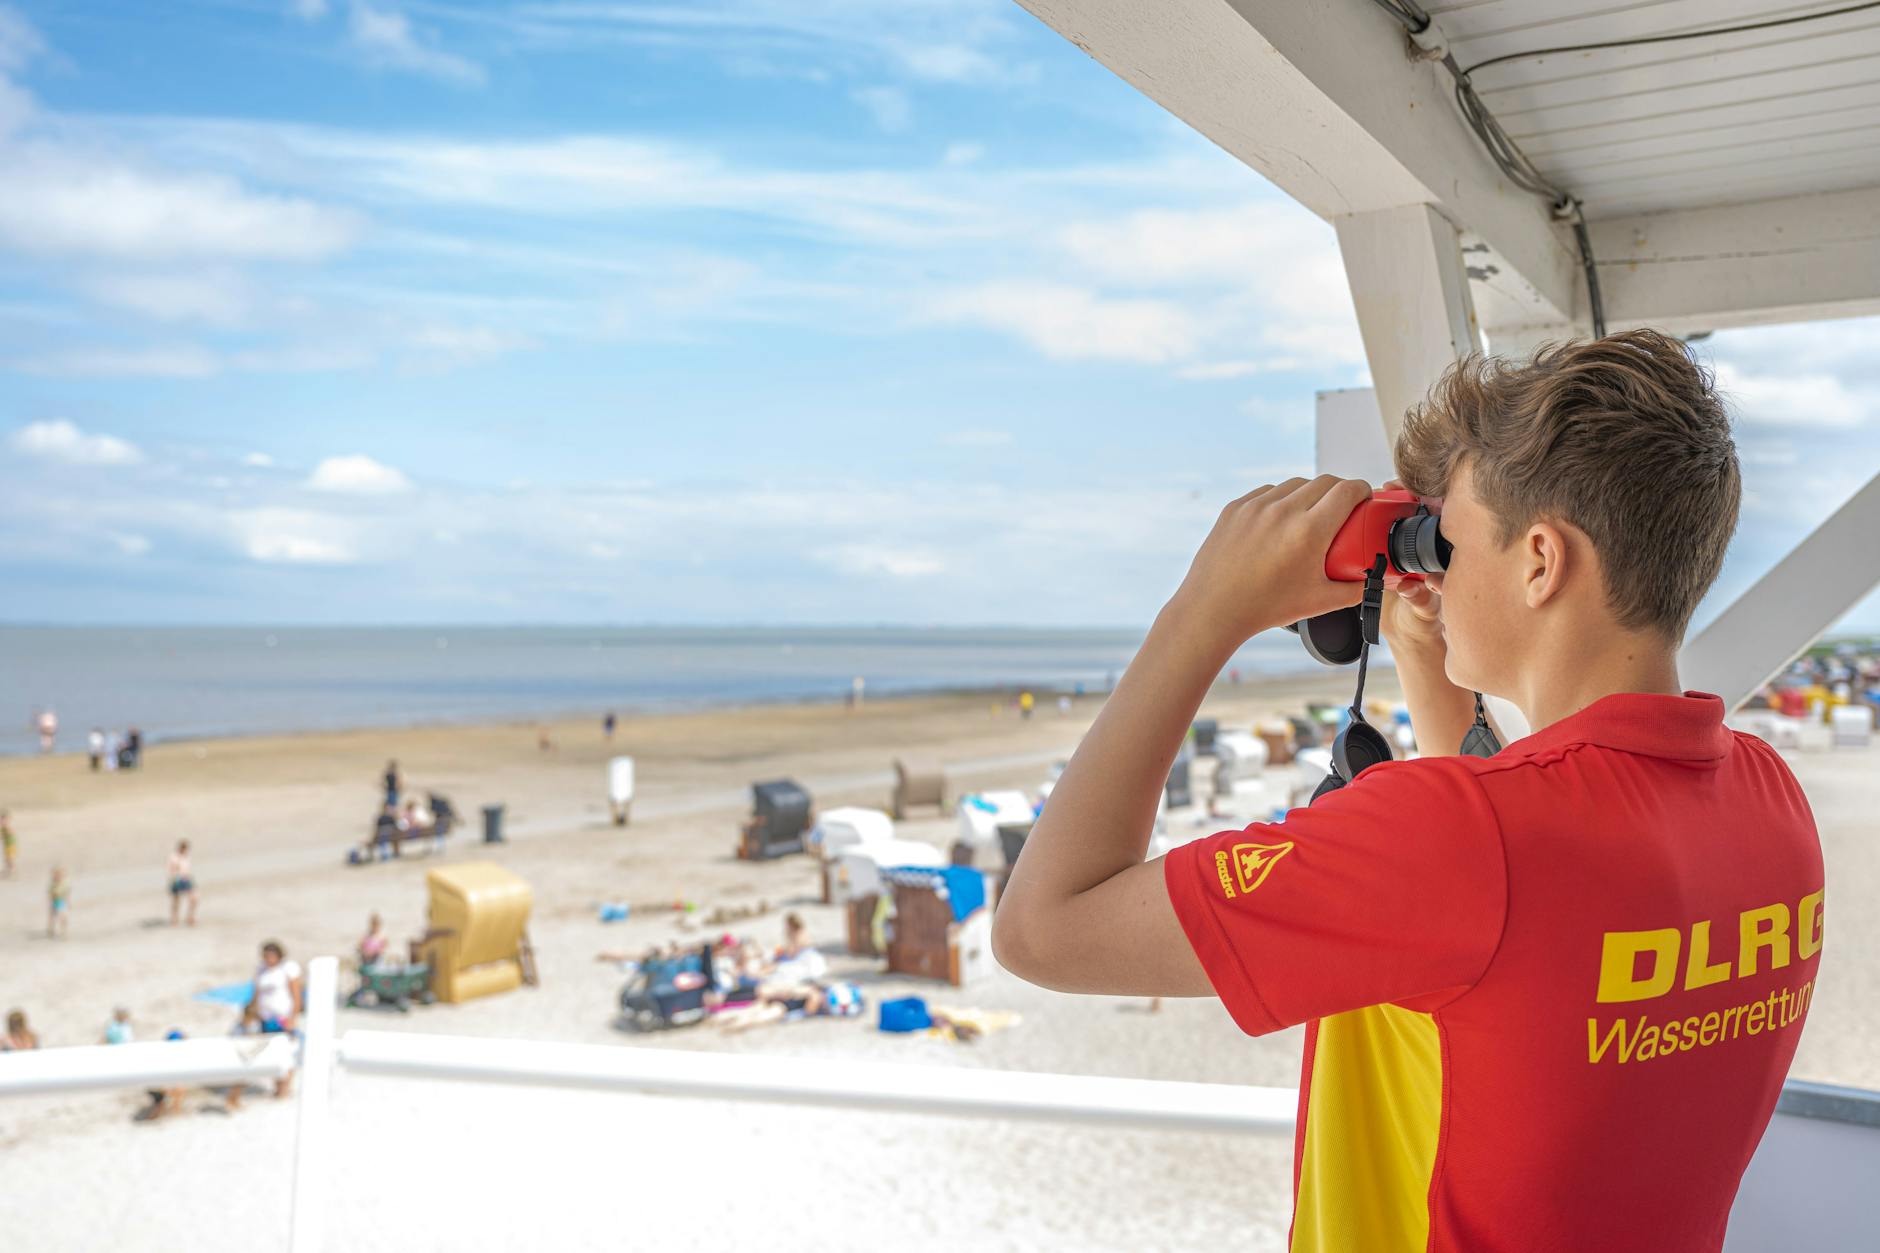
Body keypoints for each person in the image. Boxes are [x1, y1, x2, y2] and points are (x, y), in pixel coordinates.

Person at [993, 332, 1824, 1252]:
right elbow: (1508, 948)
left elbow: (1044, 929)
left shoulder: (1463, 840)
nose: (1441, 569)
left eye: (1455, 543)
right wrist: (1429, 660)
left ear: (1541, 561)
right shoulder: (1770, 802)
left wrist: (1206, 610)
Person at [232, 941, 301, 1105]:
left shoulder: (288, 969)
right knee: (271, 1051)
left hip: (282, 1017)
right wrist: (250, 1013)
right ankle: (277, 1085)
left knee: (286, 1051)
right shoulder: (261, 970)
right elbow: (256, 994)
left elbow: (296, 995)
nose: (269, 958)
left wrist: (293, 1017)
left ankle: (284, 1088)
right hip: (265, 1017)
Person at [167, 840, 198, 926]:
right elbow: (172, 869)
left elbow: (187, 869)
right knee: (176, 901)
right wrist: (174, 878)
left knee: (194, 899)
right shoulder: (174, 857)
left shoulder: (187, 857)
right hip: (177, 879)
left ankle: (190, 917)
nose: (185, 851)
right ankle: (174, 919)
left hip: (187, 879)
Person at [47, 867, 70, 938]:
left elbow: (66, 893)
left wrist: (68, 902)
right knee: (53, 918)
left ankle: (63, 931)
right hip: (55, 902)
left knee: (63, 917)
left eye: (60, 875)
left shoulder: (64, 884)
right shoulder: (53, 885)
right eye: (56, 875)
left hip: (61, 902)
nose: (58, 877)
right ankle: (51, 930)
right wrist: (50, 902)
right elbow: (50, 894)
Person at [1, 810, 14, 877]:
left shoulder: (6, 826)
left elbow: (10, 834)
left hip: (10, 845)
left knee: (9, 859)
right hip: (7, 845)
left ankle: (12, 871)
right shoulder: (4, 827)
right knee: (7, 858)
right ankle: (9, 870)